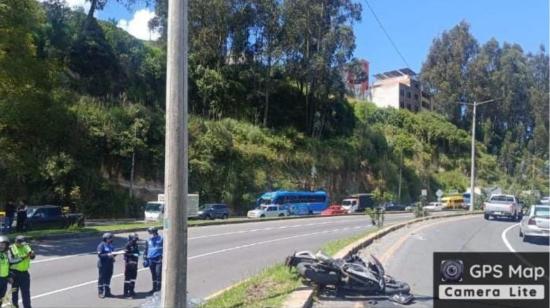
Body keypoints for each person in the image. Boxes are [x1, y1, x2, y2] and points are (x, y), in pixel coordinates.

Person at [9, 235, 35, 308]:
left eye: (22, 243)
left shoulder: (25, 245)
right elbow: (16, 259)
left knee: (26, 293)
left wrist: (32, 254)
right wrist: (27, 255)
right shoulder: (12, 248)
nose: (21, 244)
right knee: (14, 292)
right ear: (16, 242)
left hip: (24, 273)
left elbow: (32, 256)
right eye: (19, 243)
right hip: (15, 273)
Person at [143, 227, 163, 294]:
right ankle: (154, 288)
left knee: (158, 274)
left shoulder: (161, 239)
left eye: (150, 232)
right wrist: (145, 259)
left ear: (154, 232)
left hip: (158, 259)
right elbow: (146, 250)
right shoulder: (149, 240)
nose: (150, 234)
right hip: (150, 259)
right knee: (153, 274)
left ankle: (159, 289)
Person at [97, 233, 115, 298]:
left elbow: (112, 253)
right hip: (103, 264)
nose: (111, 239)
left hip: (110, 264)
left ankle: (107, 291)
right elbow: (100, 255)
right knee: (101, 278)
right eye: (110, 238)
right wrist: (108, 255)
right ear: (106, 239)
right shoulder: (101, 245)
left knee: (108, 277)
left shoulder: (111, 245)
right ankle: (100, 292)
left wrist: (115, 254)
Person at [123, 233, 139, 297]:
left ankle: (131, 290)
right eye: (134, 238)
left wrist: (137, 255)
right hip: (129, 264)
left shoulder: (135, 245)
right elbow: (125, 254)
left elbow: (137, 253)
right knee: (127, 279)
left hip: (135, 264)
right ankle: (126, 292)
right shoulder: (127, 245)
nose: (135, 240)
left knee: (133, 278)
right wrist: (132, 255)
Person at [0, 236, 11, 302]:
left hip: (4, 280)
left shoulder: (5, 255)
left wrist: (9, 276)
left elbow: (7, 267)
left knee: (2, 298)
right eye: (0, 244)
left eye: (3, 245)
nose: (1, 246)